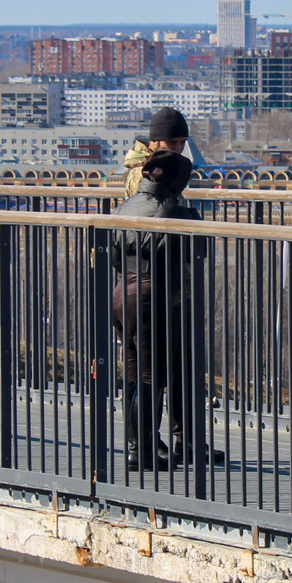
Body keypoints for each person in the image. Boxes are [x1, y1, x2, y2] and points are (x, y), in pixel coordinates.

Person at [111, 150, 200, 471]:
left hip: (123, 293)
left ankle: (138, 447)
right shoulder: (174, 211)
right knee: (152, 377)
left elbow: (115, 256)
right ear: (177, 181)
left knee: (134, 374)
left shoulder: (126, 205)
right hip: (153, 295)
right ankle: (142, 450)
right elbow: (197, 249)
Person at [123, 107, 189, 198]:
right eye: (171, 142)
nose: (178, 148)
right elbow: (143, 209)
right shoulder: (145, 172)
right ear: (154, 141)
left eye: (183, 142)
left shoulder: (160, 167)